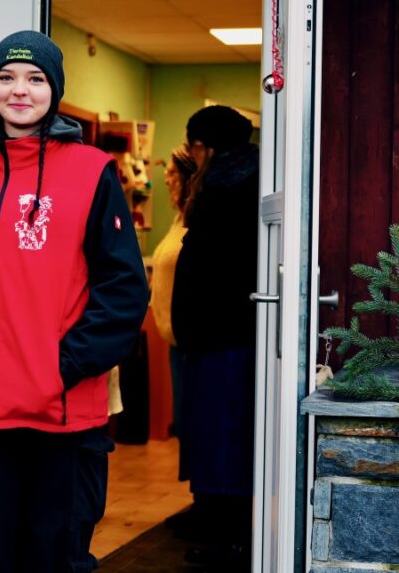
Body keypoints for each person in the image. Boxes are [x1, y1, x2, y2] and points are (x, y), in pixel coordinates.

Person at [0, 30, 149, 572]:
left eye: (35, 79)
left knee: (53, 561)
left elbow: (124, 290)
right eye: (6, 77)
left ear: (54, 89)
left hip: (63, 416)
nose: (19, 90)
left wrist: (65, 365)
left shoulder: (92, 171)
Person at [171, 105, 259, 568]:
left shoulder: (227, 186)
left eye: (193, 146)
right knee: (218, 434)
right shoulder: (244, 177)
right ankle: (220, 525)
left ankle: (228, 539)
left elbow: (210, 267)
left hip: (222, 335)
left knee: (222, 436)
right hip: (221, 334)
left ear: (206, 147)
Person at [150, 146, 199, 494]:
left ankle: (204, 501)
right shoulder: (177, 218)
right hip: (175, 341)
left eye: (171, 173)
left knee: (194, 423)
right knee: (184, 422)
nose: (166, 179)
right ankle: (196, 497)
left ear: (187, 177)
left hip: (192, 342)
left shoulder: (197, 218)